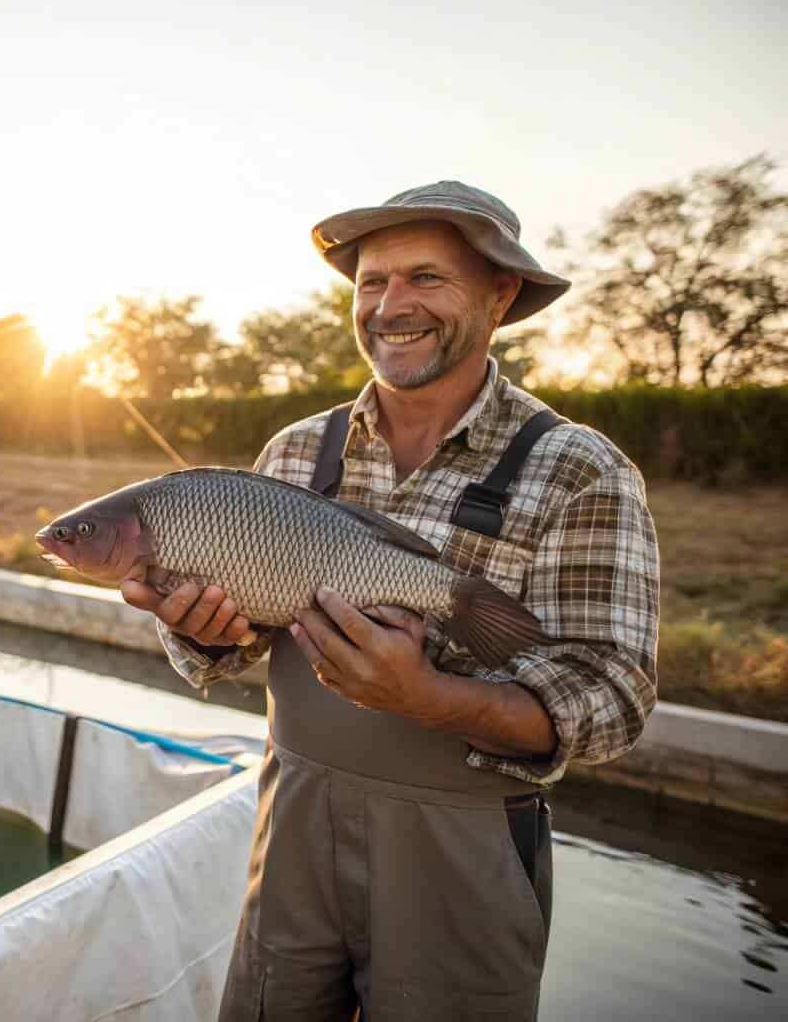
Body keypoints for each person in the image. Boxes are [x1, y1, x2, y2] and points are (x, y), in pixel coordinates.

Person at [120, 181, 660, 1021]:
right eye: (372, 282)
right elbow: (231, 647)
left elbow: (614, 696)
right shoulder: (297, 450)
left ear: (499, 293)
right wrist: (199, 631)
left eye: (425, 279)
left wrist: (434, 698)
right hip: (292, 827)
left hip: (460, 852)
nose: (390, 305)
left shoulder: (578, 469)